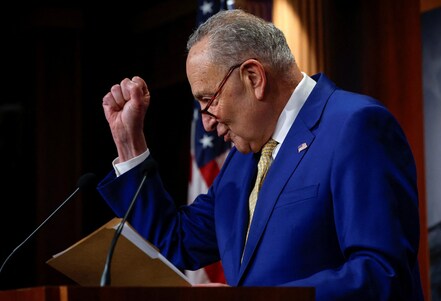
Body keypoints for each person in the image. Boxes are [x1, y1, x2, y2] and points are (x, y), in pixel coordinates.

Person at [97, 9, 424, 300]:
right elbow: (180, 241)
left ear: (253, 77)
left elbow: (383, 274)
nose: (207, 123)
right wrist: (130, 145)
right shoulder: (242, 160)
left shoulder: (355, 126)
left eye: (209, 101)